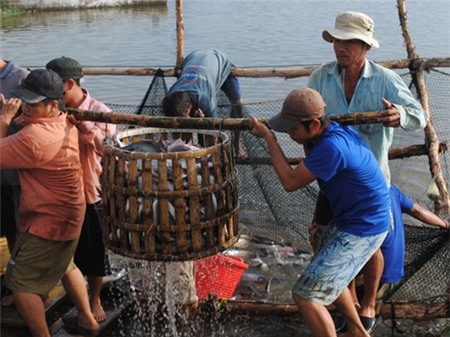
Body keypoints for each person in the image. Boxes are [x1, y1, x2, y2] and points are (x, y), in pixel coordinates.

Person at [307, 11, 429, 330]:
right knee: (322, 236)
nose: (340, 47)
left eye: (348, 41)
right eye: (337, 40)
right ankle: (341, 300)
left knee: (371, 243)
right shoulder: (321, 78)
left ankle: (369, 304)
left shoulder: (384, 80)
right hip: (332, 181)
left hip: (370, 183)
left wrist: (399, 114)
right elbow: (308, 118)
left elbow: (420, 116)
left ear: (365, 46)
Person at [249, 87, 390, 337]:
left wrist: (270, 139)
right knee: (329, 277)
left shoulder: (331, 148)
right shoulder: (329, 132)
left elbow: (290, 182)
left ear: (314, 125)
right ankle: (358, 332)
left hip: (363, 228)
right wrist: (321, 221)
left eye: (292, 129)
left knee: (306, 295)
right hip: (355, 218)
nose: (289, 134)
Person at [0, 69, 99, 336]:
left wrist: (4, 119)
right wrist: (21, 114)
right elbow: (32, 123)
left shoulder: (33, 139)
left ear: (53, 105)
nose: (26, 108)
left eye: (33, 104)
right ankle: (88, 320)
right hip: (70, 215)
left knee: (20, 283)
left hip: (47, 224)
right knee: (66, 265)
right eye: (24, 101)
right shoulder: (64, 120)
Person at [46, 56, 116, 323]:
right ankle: (71, 296)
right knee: (63, 251)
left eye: (57, 88)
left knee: (94, 251)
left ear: (70, 83)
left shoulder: (100, 110)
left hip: (89, 192)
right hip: (59, 192)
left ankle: (95, 298)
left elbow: (106, 148)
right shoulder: (53, 109)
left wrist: (83, 124)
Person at [162, 49, 245, 157]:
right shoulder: (171, 95)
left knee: (238, 104)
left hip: (220, 62)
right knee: (187, 124)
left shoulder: (205, 99)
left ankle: (237, 144)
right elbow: (174, 122)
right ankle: (189, 145)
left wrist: (211, 150)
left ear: (189, 108)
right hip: (192, 57)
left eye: (184, 116)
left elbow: (214, 126)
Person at [0, 59, 29, 254]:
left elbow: (39, 120)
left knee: (24, 229)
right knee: (8, 227)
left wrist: (7, 113)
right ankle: (13, 272)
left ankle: (24, 277)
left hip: (19, 173)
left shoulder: (22, 78)